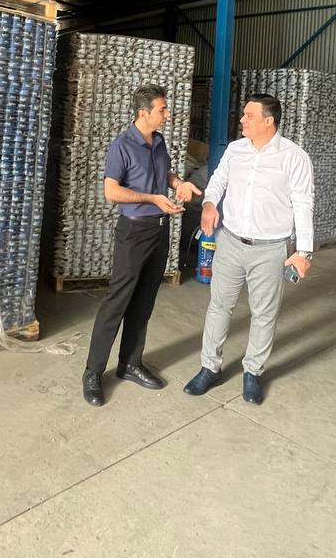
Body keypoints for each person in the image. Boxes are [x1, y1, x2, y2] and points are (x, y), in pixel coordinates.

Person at [184, 95, 314, 406]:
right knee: (219, 306)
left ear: (269, 121)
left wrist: (304, 251)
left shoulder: (294, 157)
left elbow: (303, 203)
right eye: (243, 114)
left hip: (270, 249)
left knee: (264, 314)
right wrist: (210, 204)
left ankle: (253, 372)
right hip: (230, 242)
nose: (242, 120)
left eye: (249, 115)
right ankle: (209, 367)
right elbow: (217, 182)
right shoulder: (235, 150)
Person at [83, 84, 201, 407]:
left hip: (159, 230)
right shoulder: (122, 146)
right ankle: (93, 372)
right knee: (117, 301)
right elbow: (111, 192)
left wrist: (179, 183)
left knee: (144, 301)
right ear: (143, 113)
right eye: (162, 109)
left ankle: (130, 363)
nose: (167, 114)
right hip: (134, 232)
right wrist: (152, 199)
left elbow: (165, 173)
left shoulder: (158, 142)